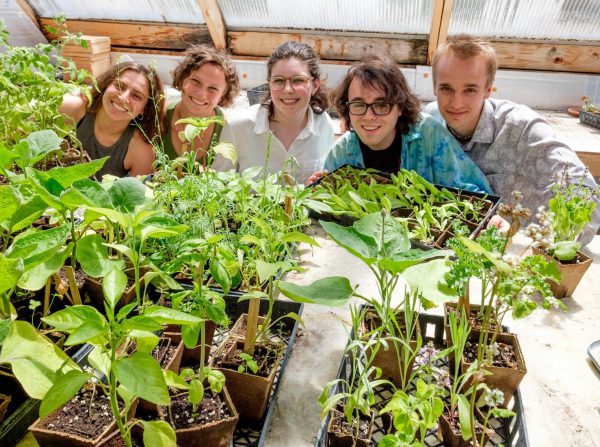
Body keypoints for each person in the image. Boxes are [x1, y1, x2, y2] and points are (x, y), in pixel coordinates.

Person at [424, 34, 600, 244]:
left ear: (488, 90)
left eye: (470, 90)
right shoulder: (431, 121)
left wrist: (526, 241)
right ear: (434, 87)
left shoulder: (521, 128)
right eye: (446, 88)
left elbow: (588, 202)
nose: (456, 102)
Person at [312, 55, 491, 194]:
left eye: (382, 105)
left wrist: (493, 221)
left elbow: (473, 193)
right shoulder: (341, 155)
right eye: (358, 105)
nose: (368, 116)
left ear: (400, 107)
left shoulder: (428, 135)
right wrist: (315, 193)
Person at [220, 41, 335, 184]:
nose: (287, 89)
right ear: (269, 84)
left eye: (298, 80)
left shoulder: (325, 125)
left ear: (315, 85)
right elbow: (219, 185)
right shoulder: (237, 127)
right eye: (278, 80)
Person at [60, 61, 164, 179]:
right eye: (119, 86)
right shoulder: (74, 108)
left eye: (136, 96)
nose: (123, 98)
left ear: (144, 109)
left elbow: (139, 195)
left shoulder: (142, 151)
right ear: (107, 85)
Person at [164, 44, 240, 163]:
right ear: (182, 79)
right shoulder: (159, 116)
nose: (201, 94)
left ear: (223, 96)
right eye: (195, 81)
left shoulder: (227, 129)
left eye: (213, 89)